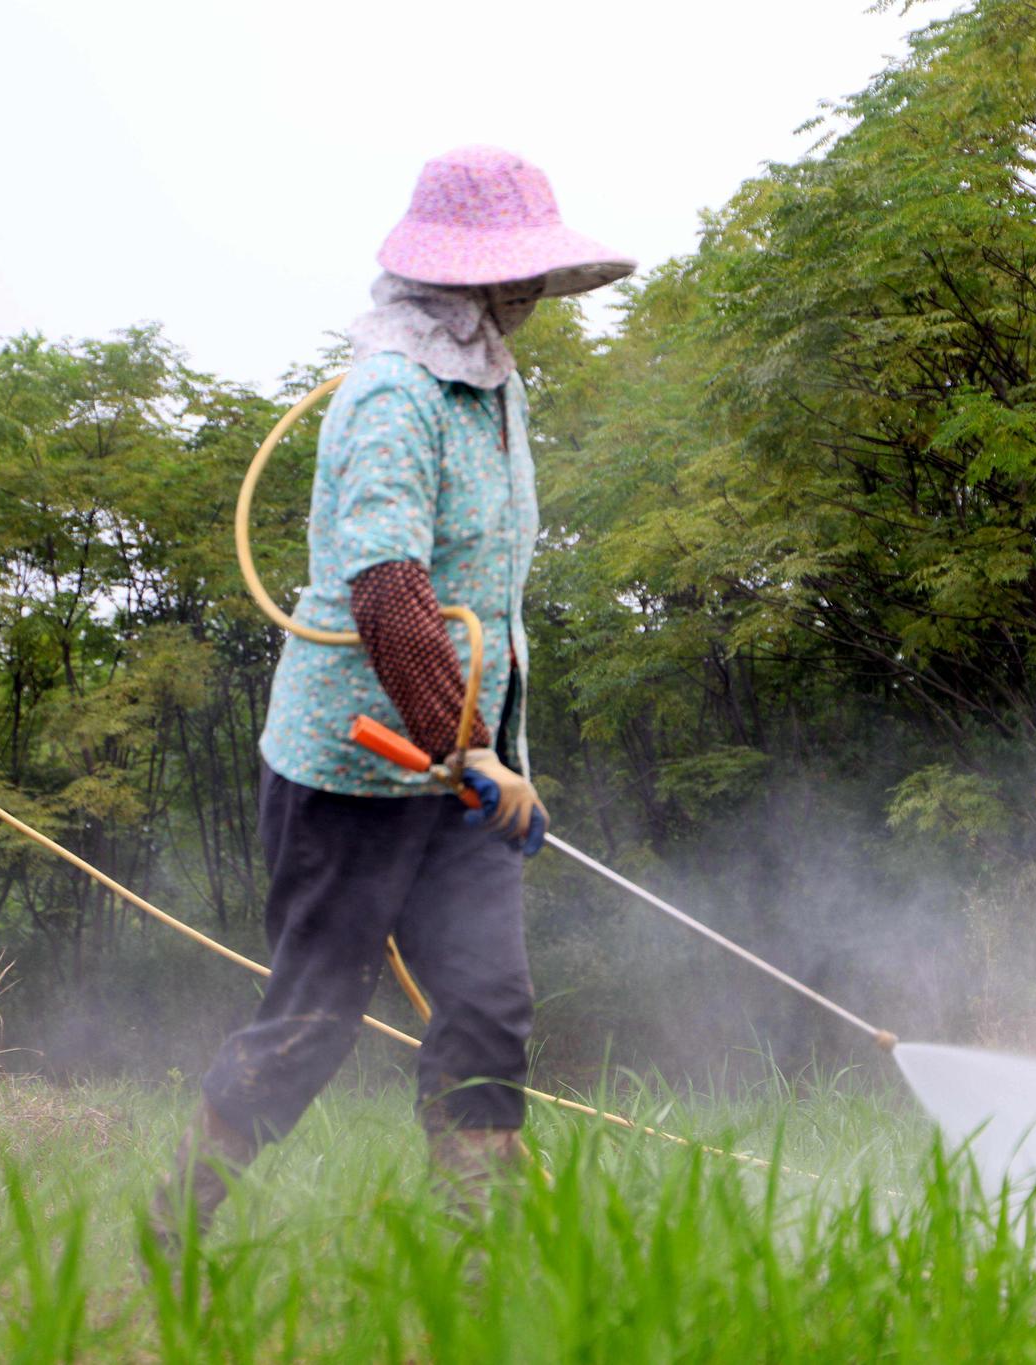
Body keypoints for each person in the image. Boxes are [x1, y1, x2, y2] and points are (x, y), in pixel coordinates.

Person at [157, 146, 635, 1239]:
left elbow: (486, 596)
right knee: (313, 1019)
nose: (528, 295)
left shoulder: (493, 388)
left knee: (486, 1006)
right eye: (508, 274)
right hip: (355, 764)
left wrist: (493, 754)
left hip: (462, 765)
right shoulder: (390, 390)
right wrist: (463, 745)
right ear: (457, 276)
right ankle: (170, 1223)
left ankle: (474, 1258)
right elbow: (388, 591)